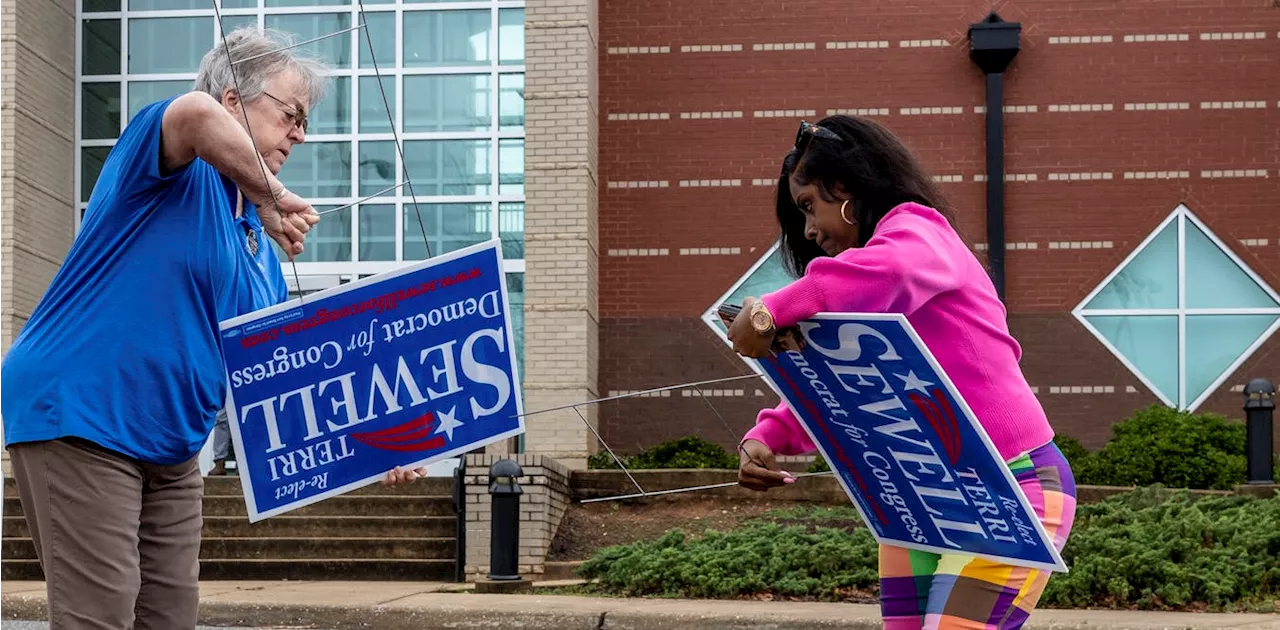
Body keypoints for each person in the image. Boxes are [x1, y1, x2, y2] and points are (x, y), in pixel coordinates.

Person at [0, 28, 423, 629]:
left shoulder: (260, 251)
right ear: (233, 101)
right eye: (291, 114)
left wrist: (383, 440)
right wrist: (271, 193)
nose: (301, 133)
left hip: (172, 451)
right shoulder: (165, 167)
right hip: (82, 414)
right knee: (98, 617)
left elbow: (283, 382)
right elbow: (194, 115)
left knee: (171, 619)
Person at [727, 115, 1076, 630]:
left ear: (844, 187)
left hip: (1012, 488)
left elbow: (888, 271)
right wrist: (768, 436)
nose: (807, 230)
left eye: (808, 206)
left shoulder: (918, 233)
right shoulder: (862, 282)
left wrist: (769, 311)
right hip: (919, 501)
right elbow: (844, 379)